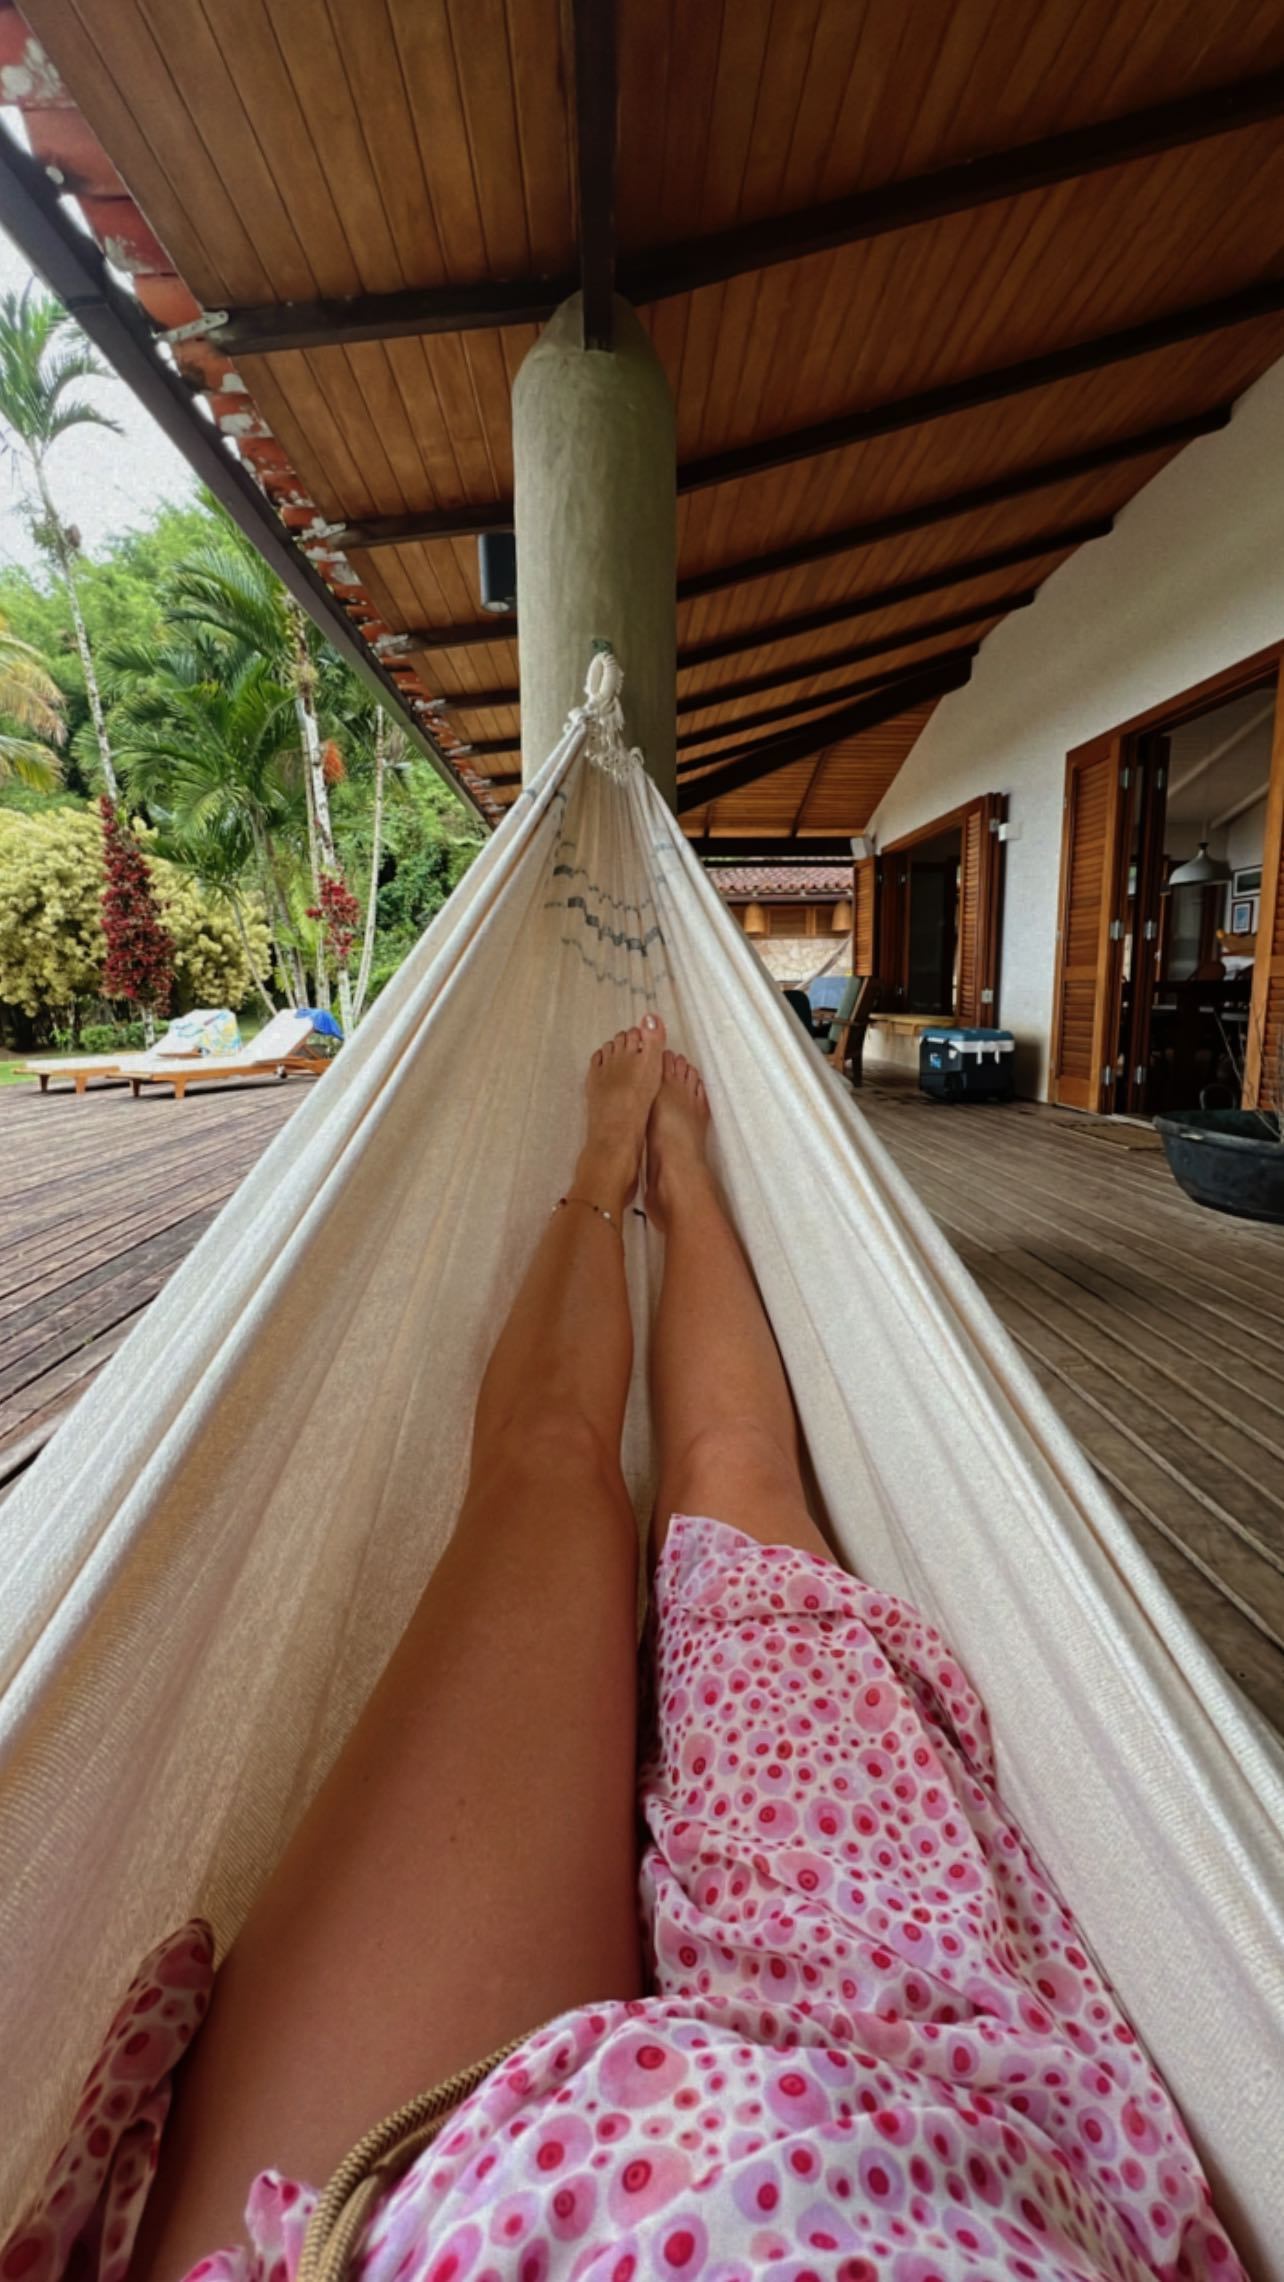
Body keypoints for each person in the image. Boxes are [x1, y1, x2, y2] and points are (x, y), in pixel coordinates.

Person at [10, 1017, 1243, 2282]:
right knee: (733, 1486)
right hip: (909, 2112)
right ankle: (641, 1179)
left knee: (546, 1471)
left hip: (423, 2222)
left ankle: (643, 1179)